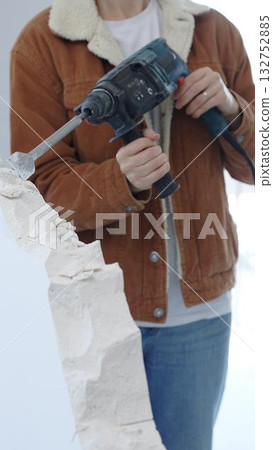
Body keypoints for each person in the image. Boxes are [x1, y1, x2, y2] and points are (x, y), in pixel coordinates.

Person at [10, 0, 255, 448]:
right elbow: (38, 190)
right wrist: (118, 181)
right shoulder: (41, 42)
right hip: (102, 311)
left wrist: (230, 106)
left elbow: (257, 167)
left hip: (197, 311)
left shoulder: (214, 31)